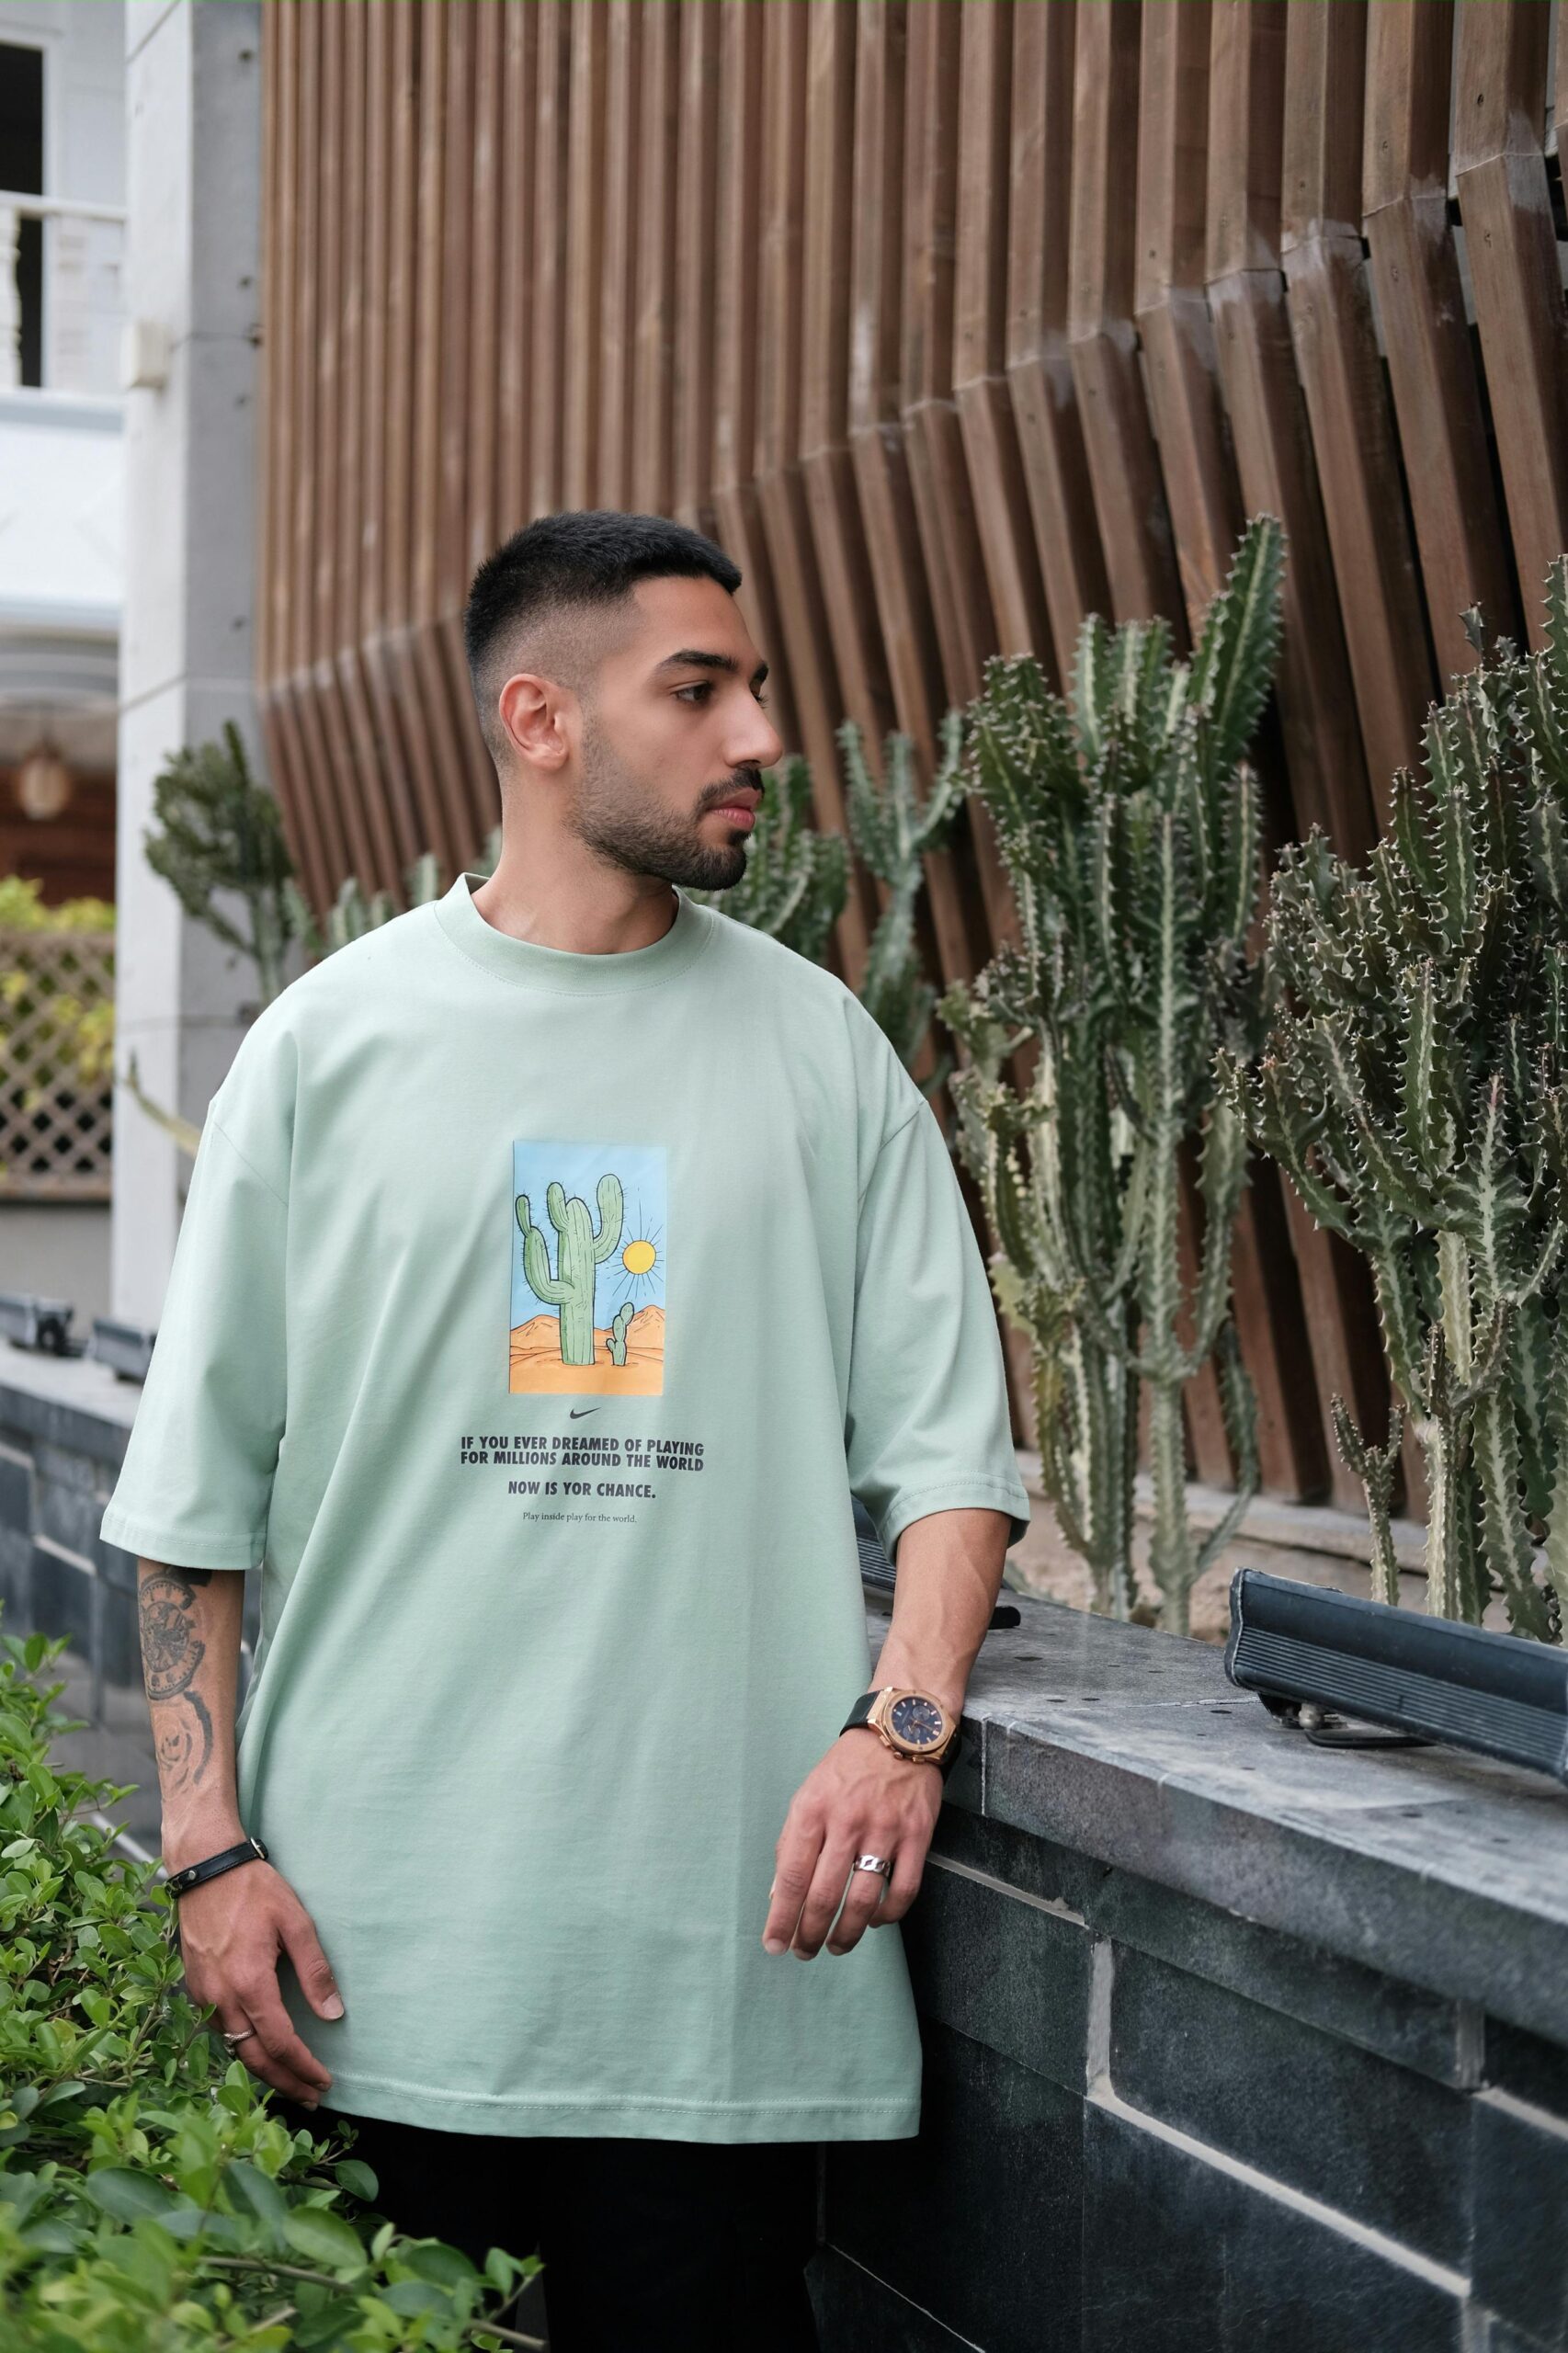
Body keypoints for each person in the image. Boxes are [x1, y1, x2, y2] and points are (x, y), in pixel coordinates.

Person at [101, 508, 1031, 2349]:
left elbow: (951, 1458)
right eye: (698, 690)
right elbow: (192, 1500)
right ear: (540, 719)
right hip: (358, 1974)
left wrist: (902, 1728)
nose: (759, 735)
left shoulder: (826, 1054)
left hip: (724, 1982)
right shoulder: (325, 1048)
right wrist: (203, 1852)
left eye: (752, 687)